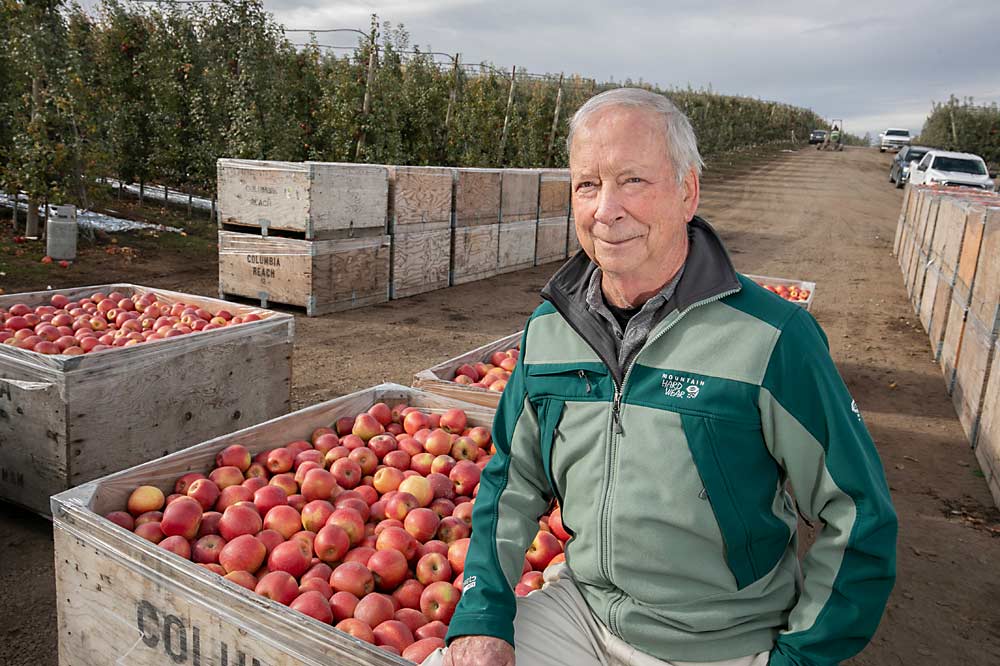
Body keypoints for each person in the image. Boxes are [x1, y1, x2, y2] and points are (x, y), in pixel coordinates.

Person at [424, 88, 897, 666]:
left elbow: (858, 511)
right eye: (588, 184)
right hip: (585, 613)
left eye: (633, 181)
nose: (606, 209)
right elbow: (513, 477)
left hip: (721, 641)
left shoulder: (772, 339)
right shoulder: (551, 328)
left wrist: (801, 657)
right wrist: (482, 615)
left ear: (688, 191)